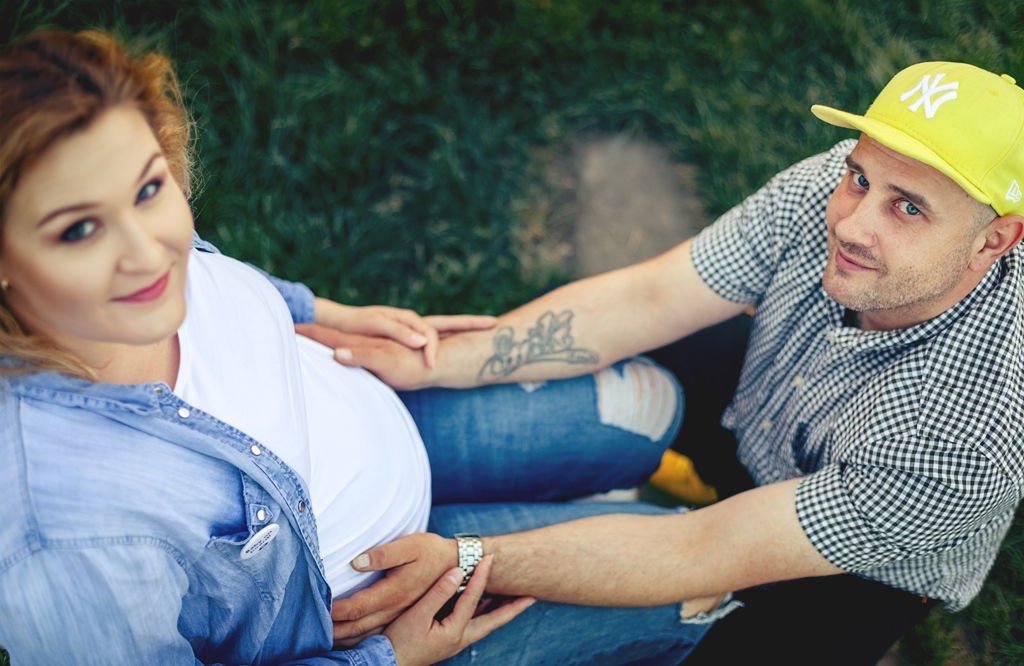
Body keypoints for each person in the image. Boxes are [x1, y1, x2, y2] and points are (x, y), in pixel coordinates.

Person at [0, 30, 729, 665]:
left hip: (390, 412)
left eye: (148, 189)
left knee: (647, 408)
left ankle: (585, 502)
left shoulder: (136, 269)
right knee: (695, 590)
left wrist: (325, 311)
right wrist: (390, 658)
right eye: (79, 230)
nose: (150, 253)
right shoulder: (59, 532)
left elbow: (209, 268)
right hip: (387, 615)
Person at [315, 61, 1024, 664]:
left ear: (993, 241)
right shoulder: (844, 188)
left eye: (908, 210)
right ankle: (627, 493)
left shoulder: (970, 438)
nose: (852, 223)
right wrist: (439, 361)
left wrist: (464, 559)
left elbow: (699, 550)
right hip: (770, 400)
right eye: (860, 178)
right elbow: (651, 296)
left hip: (857, 567)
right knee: (647, 346)